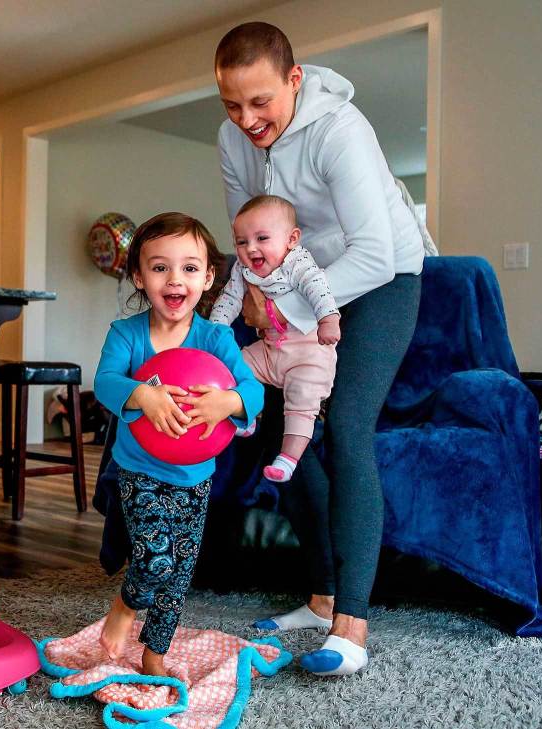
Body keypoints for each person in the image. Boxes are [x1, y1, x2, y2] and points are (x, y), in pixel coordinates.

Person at [214, 22, 425, 676]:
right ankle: (319, 594)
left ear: (294, 81)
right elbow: (250, 234)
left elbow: (374, 253)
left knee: (349, 423)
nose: (247, 119)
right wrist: (248, 296)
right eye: (231, 104)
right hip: (294, 287)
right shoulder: (230, 139)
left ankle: (352, 626)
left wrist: (288, 305)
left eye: (261, 102)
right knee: (282, 428)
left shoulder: (341, 131)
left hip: (383, 279)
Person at [94, 212, 264, 676]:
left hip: (195, 479)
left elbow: (254, 391)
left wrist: (228, 401)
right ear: (138, 275)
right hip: (139, 472)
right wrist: (143, 393)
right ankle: (125, 608)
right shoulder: (126, 335)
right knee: (154, 557)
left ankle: (155, 655)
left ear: (208, 277)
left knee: (179, 575)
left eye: (190, 268)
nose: (175, 279)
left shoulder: (216, 338)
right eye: (160, 267)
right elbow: (105, 381)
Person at [211, 194, 339, 483]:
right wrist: (215, 328)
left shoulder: (299, 264)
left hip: (308, 354)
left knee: (302, 401)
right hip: (270, 350)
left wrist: (328, 319)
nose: (250, 248)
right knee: (235, 365)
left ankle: (288, 458)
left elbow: (319, 290)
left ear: (291, 239)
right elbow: (229, 299)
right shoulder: (243, 270)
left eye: (262, 238)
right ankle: (248, 414)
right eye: (241, 242)